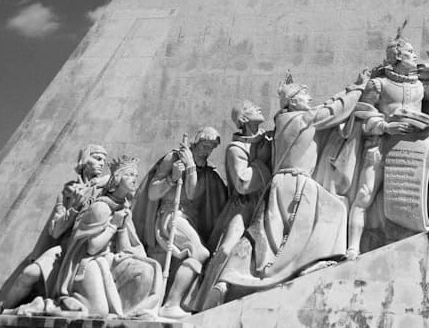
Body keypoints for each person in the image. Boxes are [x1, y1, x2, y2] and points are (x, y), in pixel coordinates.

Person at [217, 73, 367, 293]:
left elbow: (326, 106)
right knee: (329, 213)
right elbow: (335, 110)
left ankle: (240, 273)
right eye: (304, 95)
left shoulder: (284, 120)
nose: (310, 98)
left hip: (284, 183)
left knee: (276, 234)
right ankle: (300, 264)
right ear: (293, 101)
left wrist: (351, 86)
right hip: (295, 182)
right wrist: (358, 89)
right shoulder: (302, 119)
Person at [346, 36, 429, 258]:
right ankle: (353, 246)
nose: (415, 55)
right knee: (364, 195)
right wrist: (385, 126)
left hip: (415, 144)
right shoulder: (379, 84)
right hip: (383, 145)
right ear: (398, 55)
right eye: (410, 52)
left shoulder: (419, 85)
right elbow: (361, 115)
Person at [0, 144, 110, 314]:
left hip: (85, 250)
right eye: (97, 158)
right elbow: (56, 231)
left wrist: (92, 186)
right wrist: (74, 208)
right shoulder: (67, 193)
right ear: (85, 160)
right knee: (28, 275)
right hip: (64, 248)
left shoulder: (103, 189)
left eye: (104, 160)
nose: (102, 163)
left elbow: (118, 180)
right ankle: (3, 309)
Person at [54, 155, 164, 318]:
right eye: (129, 175)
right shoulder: (100, 207)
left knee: (147, 270)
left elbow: (125, 246)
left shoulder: (124, 207)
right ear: (117, 179)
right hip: (90, 263)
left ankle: (129, 314)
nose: (134, 179)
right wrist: (113, 225)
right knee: (99, 311)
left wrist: (123, 231)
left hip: (111, 259)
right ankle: (52, 306)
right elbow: (92, 248)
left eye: (135, 175)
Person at [190, 101, 272, 312]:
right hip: (242, 206)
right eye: (253, 108)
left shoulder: (268, 140)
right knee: (226, 248)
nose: (260, 109)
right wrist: (261, 161)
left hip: (267, 202)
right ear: (243, 119)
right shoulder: (236, 149)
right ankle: (204, 300)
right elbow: (242, 183)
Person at [136, 128, 226, 318]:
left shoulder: (201, 169)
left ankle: (174, 301)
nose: (206, 151)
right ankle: (171, 304)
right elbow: (152, 193)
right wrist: (172, 178)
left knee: (198, 254)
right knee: (199, 252)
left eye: (211, 148)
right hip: (171, 214)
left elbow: (192, 194)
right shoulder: (173, 158)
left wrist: (191, 167)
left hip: (188, 218)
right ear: (195, 142)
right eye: (204, 146)